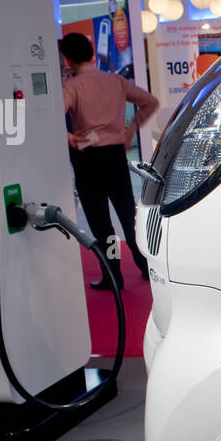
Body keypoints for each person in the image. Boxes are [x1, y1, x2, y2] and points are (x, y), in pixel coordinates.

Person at [59, 32, 160, 290]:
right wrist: (129, 131)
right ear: (91, 53)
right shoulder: (115, 80)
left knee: (101, 222)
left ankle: (113, 276)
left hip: (88, 158)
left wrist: (70, 136)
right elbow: (150, 102)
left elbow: (53, 115)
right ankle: (146, 267)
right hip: (115, 155)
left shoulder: (71, 87)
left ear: (68, 59)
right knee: (128, 215)